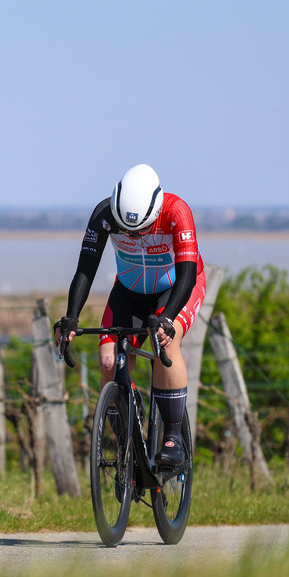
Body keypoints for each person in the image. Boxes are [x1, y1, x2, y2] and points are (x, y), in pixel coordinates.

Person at [55, 163, 206, 467]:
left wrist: (168, 318)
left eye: (141, 230)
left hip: (175, 290)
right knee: (109, 361)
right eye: (126, 231)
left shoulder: (177, 212)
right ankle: (129, 445)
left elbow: (187, 275)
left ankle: (173, 437)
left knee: (165, 343)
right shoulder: (104, 215)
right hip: (129, 291)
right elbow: (86, 268)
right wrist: (71, 316)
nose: (133, 236)